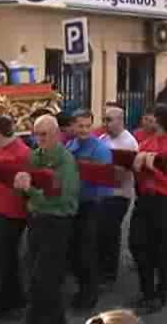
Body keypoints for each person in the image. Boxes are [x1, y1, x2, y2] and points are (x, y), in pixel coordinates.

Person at [14, 114, 79, 324]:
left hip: (56, 222)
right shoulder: (34, 156)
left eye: (44, 134)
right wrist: (21, 187)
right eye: (37, 134)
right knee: (32, 271)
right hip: (36, 219)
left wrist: (30, 191)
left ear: (56, 134)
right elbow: (26, 187)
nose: (40, 139)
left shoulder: (65, 159)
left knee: (48, 276)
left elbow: (62, 198)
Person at [129, 103, 167, 314]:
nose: (151, 120)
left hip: (166, 202)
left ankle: (160, 294)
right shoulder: (147, 142)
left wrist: (152, 167)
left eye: (155, 117)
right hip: (146, 199)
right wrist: (138, 166)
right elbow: (138, 173)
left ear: (163, 121)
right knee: (137, 244)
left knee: (161, 249)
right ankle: (147, 291)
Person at [0, 115, 31, 323]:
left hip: (10, 213)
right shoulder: (0, 150)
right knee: (2, 260)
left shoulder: (21, 154)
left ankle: (3, 307)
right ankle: (9, 303)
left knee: (2, 260)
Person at [66, 109, 113, 310]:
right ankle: (82, 289)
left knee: (87, 251)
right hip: (75, 204)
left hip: (93, 204)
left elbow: (103, 182)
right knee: (75, 250)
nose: (84, 130)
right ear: (73, 126)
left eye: (87, 126)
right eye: (80, 126)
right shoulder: (71, 144)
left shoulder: (100, 149)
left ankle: (89, 295)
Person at [98, 107, 138, 287]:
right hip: (102, 193)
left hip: (119, 194)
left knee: (111, 231)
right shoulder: (102, 139)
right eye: (105, 119)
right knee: (101, 232)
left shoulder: (129, 143)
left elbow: (124, 174)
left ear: (121, 120)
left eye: (109, 120)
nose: (106, 123)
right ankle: (102, 266)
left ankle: (109, 273)